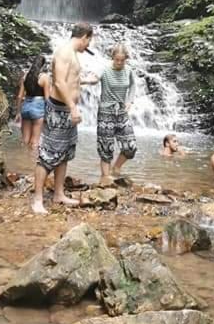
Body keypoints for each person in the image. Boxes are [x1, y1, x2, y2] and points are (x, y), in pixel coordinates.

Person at [32, 23, 93, 215]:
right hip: (60, 110)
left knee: (65, 153)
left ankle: (59, 193)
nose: (88, 45)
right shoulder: (65, 52)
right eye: (89, 41)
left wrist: (85, 81)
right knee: (48, 155)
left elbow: (68, 79)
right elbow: (58, 81)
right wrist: (73, 107)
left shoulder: (72, 54)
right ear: (84, 37)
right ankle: (37, 200)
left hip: (66, 110)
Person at [93, 43, 137, 184]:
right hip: (106, 112)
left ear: (126, 59)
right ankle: (105, 178)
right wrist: (83, 80)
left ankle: (116, 168)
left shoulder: (128, 70)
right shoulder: (104, 70)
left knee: (130, 147)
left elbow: (133, 86)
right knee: (106, 147)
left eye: (122, 60)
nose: (119, 63)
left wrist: (130, 101)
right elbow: (95, 78)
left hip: (122, 112)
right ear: (112, 58)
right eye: (117, 59)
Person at [15, 54, 49, 151]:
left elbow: (20, 96)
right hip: (38, 108)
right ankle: (31, 164)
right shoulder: (44, 77)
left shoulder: (25, 76)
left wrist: (18, 112)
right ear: (43, 65)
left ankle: (22, 160)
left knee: (25, 140)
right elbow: (47, 98)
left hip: (26, 107)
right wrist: (49, 114)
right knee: (35, 142)